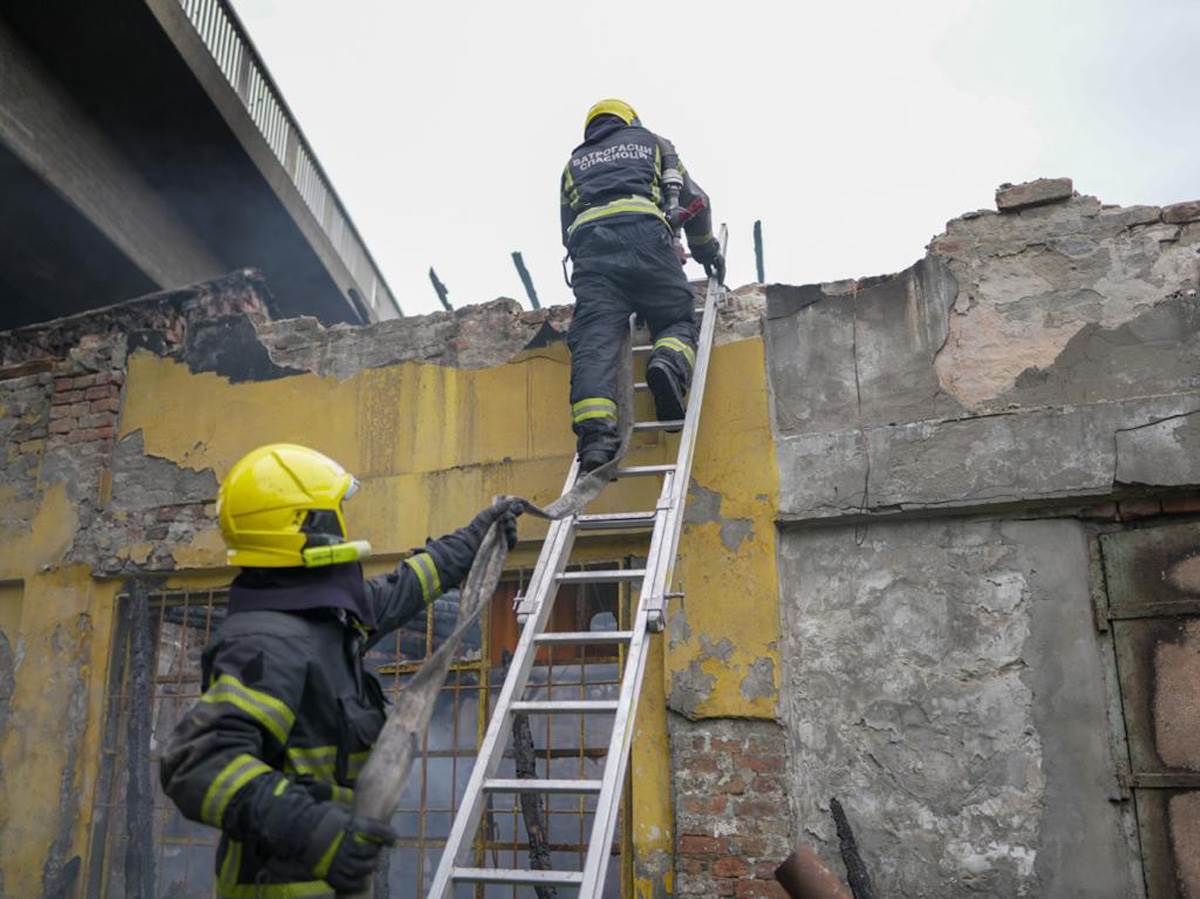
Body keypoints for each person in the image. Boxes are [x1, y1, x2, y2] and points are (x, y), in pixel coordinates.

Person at [159, 443, 522, 896]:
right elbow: (197, 765)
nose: (344, 526)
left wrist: (474, 540)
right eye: (332, 513)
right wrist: (317, 832)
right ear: (304, 526)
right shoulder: (268, 642)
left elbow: (402, 588)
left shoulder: (318, 615)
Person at [560, 98, 724, 472]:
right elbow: (695, 201)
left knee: (595, 341)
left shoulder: (573, 165)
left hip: (594, 252)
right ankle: (666, 363)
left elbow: (567, 230)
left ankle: (597, 442)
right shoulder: (653, 144)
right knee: (676, 317)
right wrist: (705, 252)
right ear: (629, 119)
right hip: (648, 239)